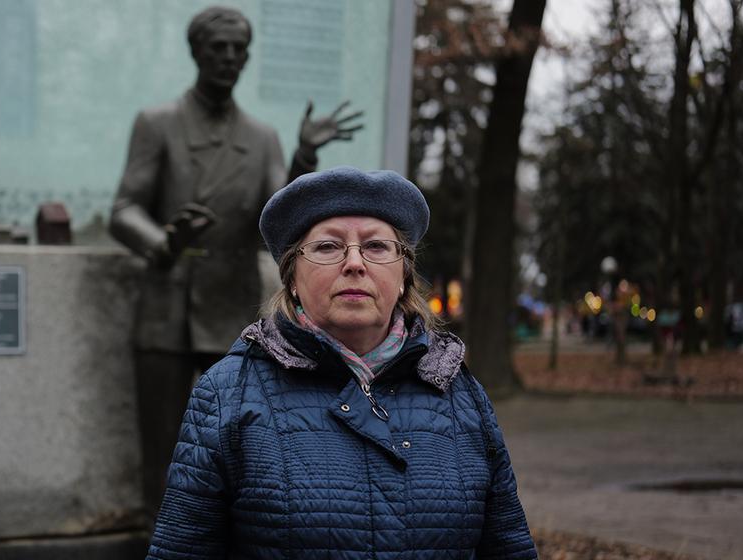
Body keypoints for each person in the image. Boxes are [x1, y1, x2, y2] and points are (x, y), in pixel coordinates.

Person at [147, 166, 537, 559]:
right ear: (292, 278)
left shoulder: (460, 392)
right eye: (328, 247)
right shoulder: (227, 393)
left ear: (403, 274)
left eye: (377, 246)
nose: (354, 263)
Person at [109, 5, 362, 512]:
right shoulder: (157, 124)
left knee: (244, 438)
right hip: (167, 305)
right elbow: (123, 209)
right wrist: (162, 242)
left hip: (232, 302)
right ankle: (157, 542)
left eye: (238, 48)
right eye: (217, 47)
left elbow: (280, 219)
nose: (228, 57)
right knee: (162, 448)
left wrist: (304, 158)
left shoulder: (261, 137)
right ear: (196, 51)